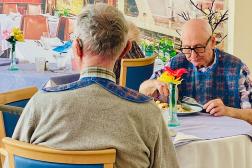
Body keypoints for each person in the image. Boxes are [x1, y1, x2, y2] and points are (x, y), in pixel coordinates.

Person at [11, 4, 179, 168]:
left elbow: (11, 162)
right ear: (125, 49)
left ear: (76, 47)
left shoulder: (40, 104)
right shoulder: (147, 114)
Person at [139, 19, 252, 124]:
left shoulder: (237, 68)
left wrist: (228, 111)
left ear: (212, 42)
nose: (193, 56)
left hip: (226, 137)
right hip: (184, 132)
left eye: (198, 48)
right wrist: (155, 84)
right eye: (187, 48)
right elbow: (143, 91)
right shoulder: (177, 62)